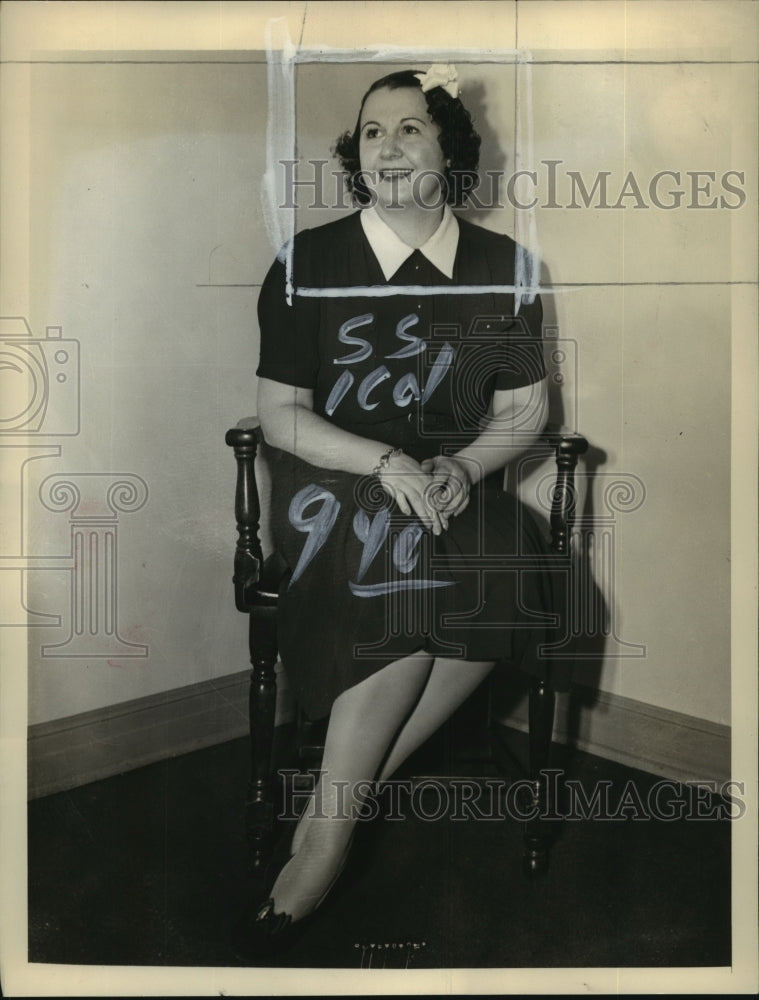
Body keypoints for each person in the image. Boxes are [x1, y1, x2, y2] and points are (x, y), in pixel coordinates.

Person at [249, 64, 561, 949]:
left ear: (448, 149)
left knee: (513, 556)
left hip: (448, 483)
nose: (388, 147)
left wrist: (463, 468)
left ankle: (339, 798)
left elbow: (524, 414)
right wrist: (386, 462)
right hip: (334, 483)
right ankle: (324, 841)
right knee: (402, 553)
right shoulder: (307, 261)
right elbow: (282, 416)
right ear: (357, 154)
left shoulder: (507, 267)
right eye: (372, 132)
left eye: (410, 128)